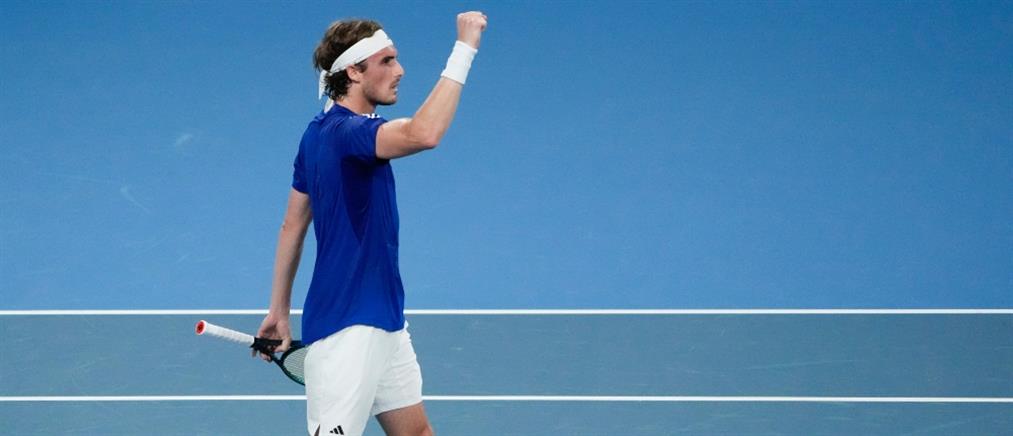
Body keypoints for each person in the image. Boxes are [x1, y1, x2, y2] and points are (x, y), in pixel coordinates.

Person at [253, 11, 488, 436]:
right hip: (348, 329)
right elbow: (424, 133)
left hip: (384, 319)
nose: (400, 70)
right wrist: (464, 48)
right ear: (354, 72)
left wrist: (278, 311)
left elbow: (292, 226)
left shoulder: (315, 135)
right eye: (387, 61)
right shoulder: (349, 134)